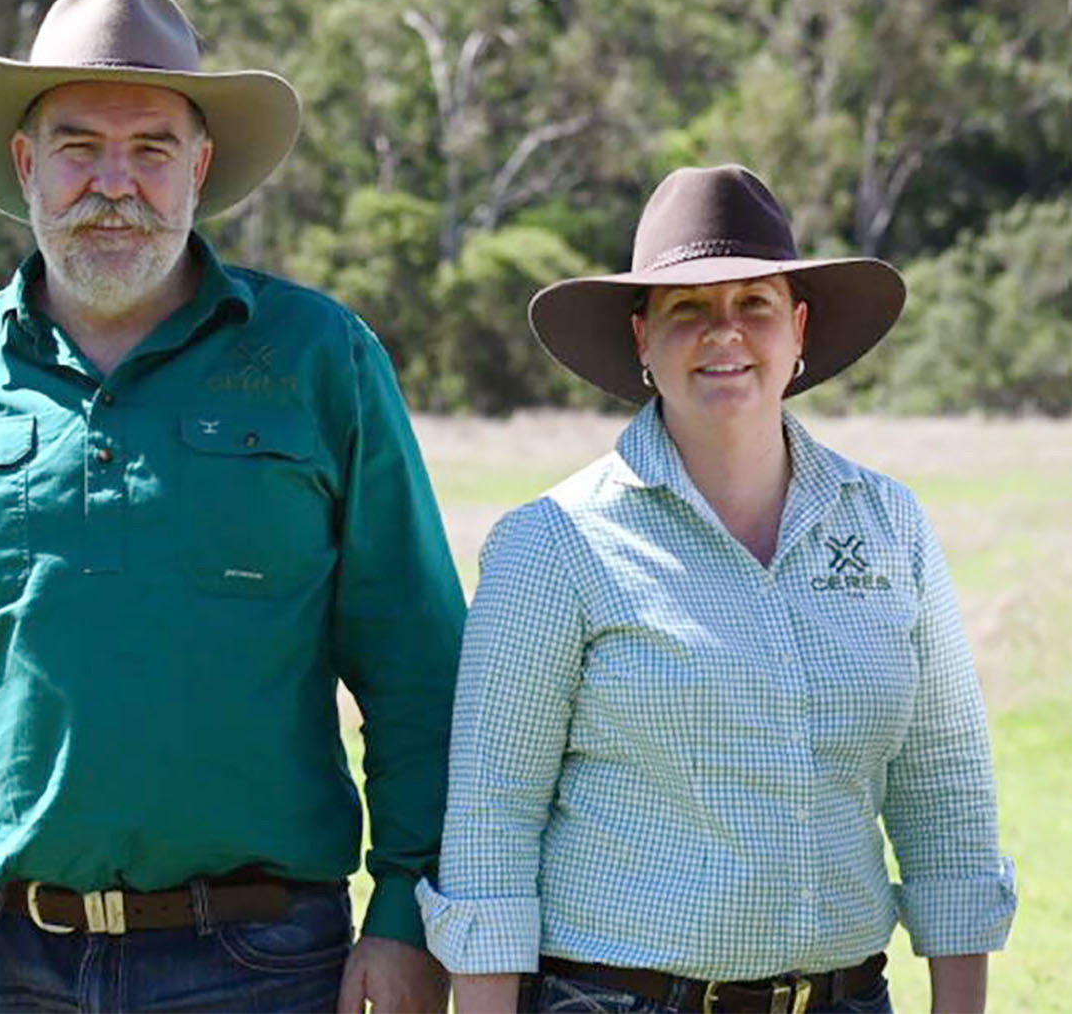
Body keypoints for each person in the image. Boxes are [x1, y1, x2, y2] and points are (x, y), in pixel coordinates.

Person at [0, 0, 463, 1014]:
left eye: (152, 148)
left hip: (267, 960)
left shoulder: (317, 356)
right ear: (26, 164)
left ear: (200, 167)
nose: (115, 182)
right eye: (78, 147)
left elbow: (418, 659)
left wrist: (404, 912)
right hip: (1, 959)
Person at [416, 165, 1016, 1013]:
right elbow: (492, 822)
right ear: (642, 339)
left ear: (798, 328)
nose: (723, 333)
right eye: (688, 309)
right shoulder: (554, 543)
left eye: (755, 305)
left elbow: (945, 791)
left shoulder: (891, 525)